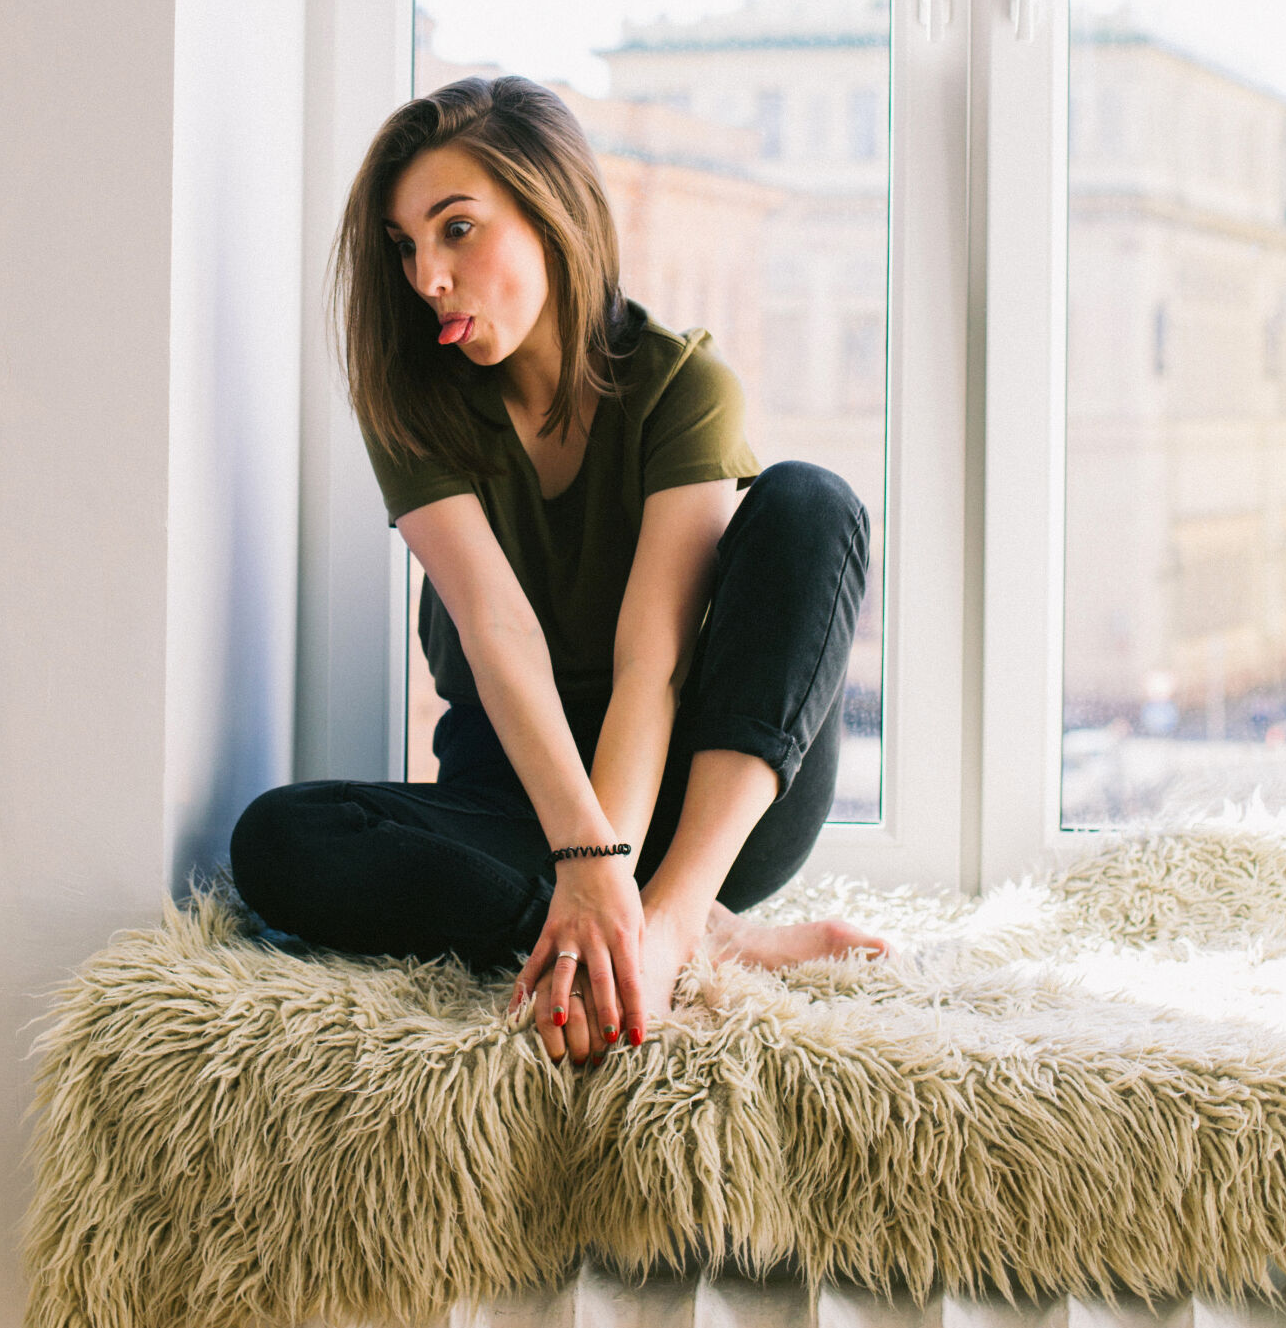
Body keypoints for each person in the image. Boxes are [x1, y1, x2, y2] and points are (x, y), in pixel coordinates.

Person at [231, 75, 885, 1065]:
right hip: (518, 796)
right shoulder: (414, 402)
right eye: (405, 246)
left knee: (812, 501)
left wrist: (621, 887)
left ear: (550, 212)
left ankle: (668, 923)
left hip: (698, 791)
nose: (425, 277)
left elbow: (650, 663)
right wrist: (583, 865)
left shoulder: (681, 384)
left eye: (456, 230)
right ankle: (685, 933)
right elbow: (500, 637)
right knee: (278, 840)